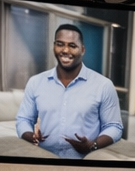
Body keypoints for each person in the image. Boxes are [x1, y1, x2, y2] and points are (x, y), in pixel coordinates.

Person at [14, 22, 123, 160]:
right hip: (43, 160)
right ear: (54, 46)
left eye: (72, 45)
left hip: (84, 162)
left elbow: (114, 126)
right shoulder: (36, 82)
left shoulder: (103, 85)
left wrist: (93, 145)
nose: (65, 50)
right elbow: (24, 119)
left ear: (82, 50)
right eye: (60, 44)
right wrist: (30, 135)